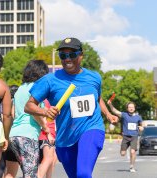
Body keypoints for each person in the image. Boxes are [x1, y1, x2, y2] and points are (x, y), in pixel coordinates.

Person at [24, 37, 118, 178]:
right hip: (65, 137)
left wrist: (107, 114)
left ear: (81, 55)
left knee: (83, 174)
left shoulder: (94, 77)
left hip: (92, 128)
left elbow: (97, 98)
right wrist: (45, 111)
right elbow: (28, 106)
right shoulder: (50, 80)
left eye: (72, 54)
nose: (67, 59)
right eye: (63, 55)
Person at [9, 59, 50, 178]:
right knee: (31, 174)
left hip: (14, 135)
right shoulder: (36, 89)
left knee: (28, 172)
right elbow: (34, 112)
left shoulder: (20, 89)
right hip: (28, 134)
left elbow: (13, 113)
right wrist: (45, 127)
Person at [107, 100, 143, 173]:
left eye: (132, 107)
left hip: (134, 137)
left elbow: (142, 125)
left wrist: (141, 128)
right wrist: (110, 105)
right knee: (122, 154)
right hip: (126, 137)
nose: (131, 108)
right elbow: (115, 111)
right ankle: (124, 149)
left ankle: (132, 166)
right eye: (129, 107)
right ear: (127, 108)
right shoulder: (124, 115)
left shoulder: (138, 117)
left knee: (133, 152)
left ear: (134, 108)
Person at [38, 99, 57, 178]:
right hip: (46, 133)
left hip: (51, 132)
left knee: (51, 160)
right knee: (48, 159)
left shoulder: (49, 99)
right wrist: (48, 133)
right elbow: (42, 117)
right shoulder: (45, 100)